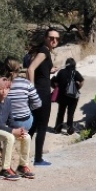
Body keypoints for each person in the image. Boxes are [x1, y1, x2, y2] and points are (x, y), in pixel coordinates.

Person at [0, 77, 34, 180]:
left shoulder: (8, 101)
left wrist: (20, 129)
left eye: (7, 88)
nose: (4, 91)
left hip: (4, 128)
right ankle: (5, 170)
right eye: (1, 88)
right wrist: (13, 131)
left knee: (26, 137)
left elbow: (10, 120)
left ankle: (22, 166)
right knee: (10, 137)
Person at [27, 28, 60, 166]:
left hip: (39, 92)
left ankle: (22, 157)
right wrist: (32, 89)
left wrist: (50, 69)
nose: (54, 40)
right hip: (42, 93)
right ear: (45, 38)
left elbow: (39, 69)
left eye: (57, 39)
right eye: (51, 37)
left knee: (33, 126)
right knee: (41, 126)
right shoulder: (44, 51)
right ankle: (38, 158)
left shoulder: (44, 51)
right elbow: (30, 69)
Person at [3, 57, 41, 132]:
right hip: (26, 122)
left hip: (9, 122)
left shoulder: (1, 85)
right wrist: (28, 108)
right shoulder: (26, 83)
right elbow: (37, 103)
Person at [52, 58, 84, 135]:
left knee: (61, 113)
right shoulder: (75, 73)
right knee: (70, 114)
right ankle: (70, 129)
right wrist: (78, 88)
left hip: (62, 96)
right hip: (73, 97)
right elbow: (82, 81)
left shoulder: (61, 72)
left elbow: (56, 83)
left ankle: (57, 128)